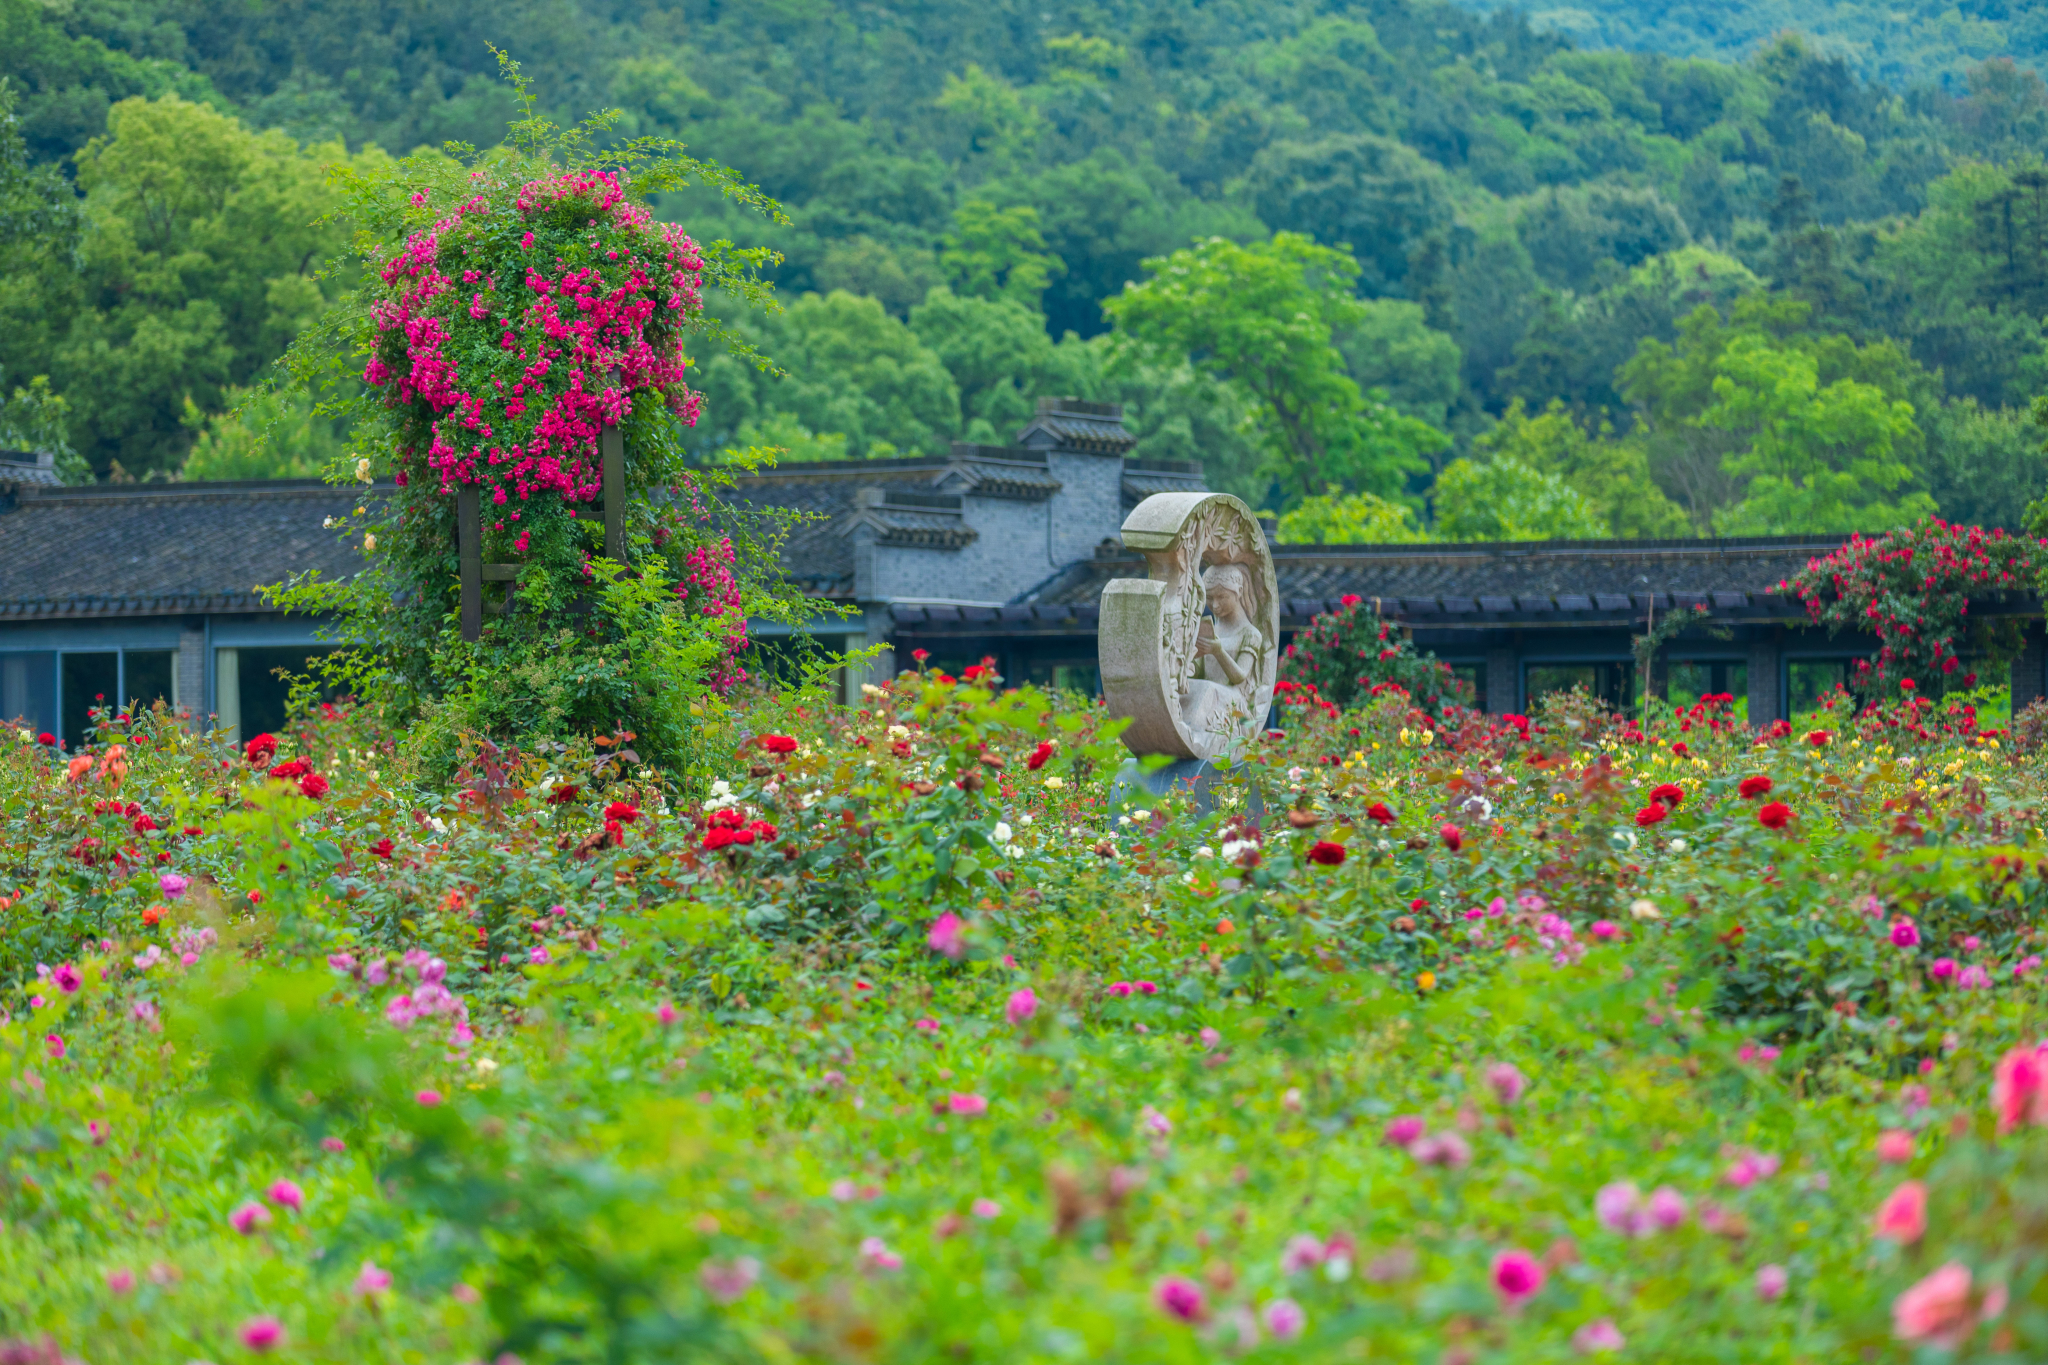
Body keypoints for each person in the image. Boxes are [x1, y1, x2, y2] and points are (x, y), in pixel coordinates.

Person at [1182, 561, 1266, 745]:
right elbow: (1199, 674)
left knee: (1205, 689)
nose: (1215, 604)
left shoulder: (1250, 634)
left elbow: (1239, 676)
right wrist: (1188, 656)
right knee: (1184, 687)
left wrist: (1217, 650)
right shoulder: (1210, 629)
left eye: (1222, 596)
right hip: (1209, 695)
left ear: (1238, 592)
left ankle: (1194, 738)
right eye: (1210, 598)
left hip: (1233, 700)